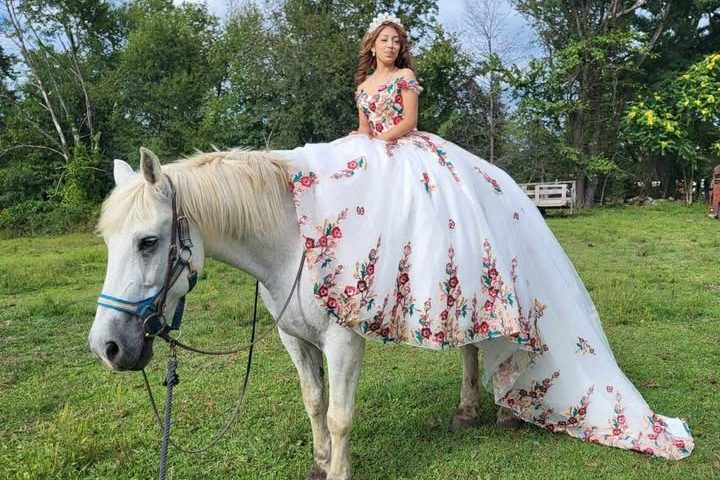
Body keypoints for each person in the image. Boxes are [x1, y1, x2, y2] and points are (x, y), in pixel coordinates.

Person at [280, 14, 693, 459]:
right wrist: (362, 140)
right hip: (376, 150)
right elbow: (363, 128)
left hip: (406, 149)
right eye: (384, 40)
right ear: (371, 46)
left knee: (436, 212)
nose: (390, 47)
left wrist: (380, 140)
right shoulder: (363, 86)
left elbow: (408, 121)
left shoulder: (405, 77)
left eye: (396, 41)